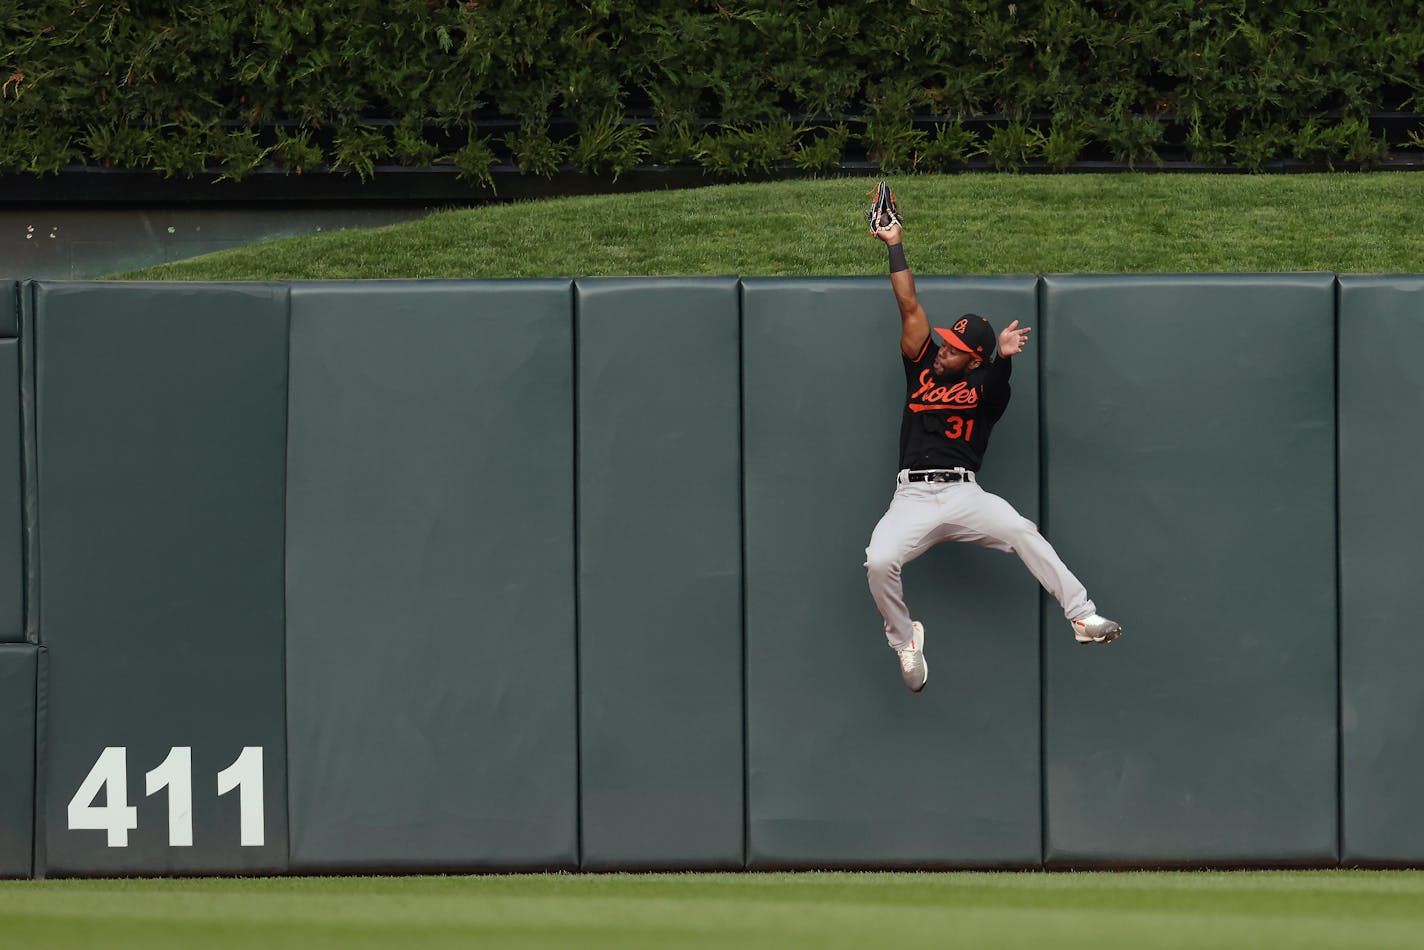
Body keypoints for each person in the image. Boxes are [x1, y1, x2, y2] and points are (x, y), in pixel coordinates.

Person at [865, 216, 1121, 693]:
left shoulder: (987, 385)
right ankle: (905, 642)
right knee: (879, 561)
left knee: (1022, 531)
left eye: (957, 349)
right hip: (912, 498)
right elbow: (909, 305)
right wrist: (895, 243)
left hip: (965, 493)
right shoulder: (922, 364)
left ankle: (1082, 617)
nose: (944, 350)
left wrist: (1003, 357)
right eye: (947, 341)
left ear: (975, 361)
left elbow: (998, 381)